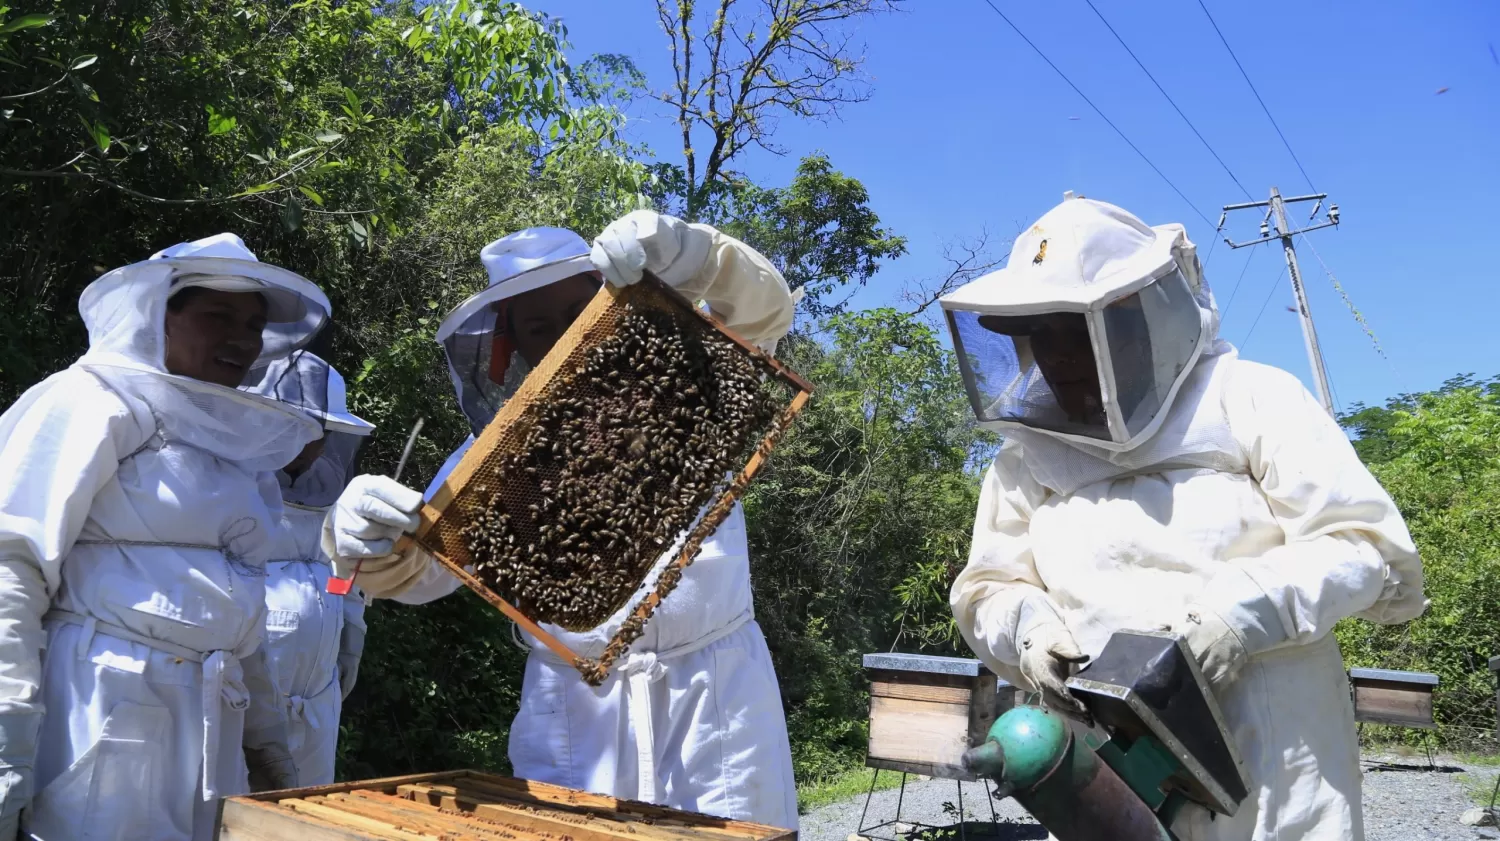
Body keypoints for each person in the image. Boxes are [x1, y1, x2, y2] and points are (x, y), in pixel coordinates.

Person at [942, 196, 1425, 840]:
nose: (1053, 358)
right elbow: (987, 587)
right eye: (1038, 336)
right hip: (1109, 767)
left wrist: (1242, 614)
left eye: (1072, 330)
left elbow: (1362, 547)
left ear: (1140, 320)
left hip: (1276, 752)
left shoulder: (1253, 397)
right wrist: (1028, 632)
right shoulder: (1022, 460)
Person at [319, 211, 800, 828]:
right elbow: (416, 571)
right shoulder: (494, 460)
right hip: (578, 710)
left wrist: (693, 256)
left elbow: (763, 314)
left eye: (579, 312)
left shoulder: (688, 380)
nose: (565, 336)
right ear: (509, 345)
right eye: (539, 326)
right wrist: (361, 536)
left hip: (716, 699)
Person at [0, 234, 329, 841]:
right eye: (217, 316)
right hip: (102, 701)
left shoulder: (241, 448)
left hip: (214, 720)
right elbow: (12, 565)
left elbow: (241, 608)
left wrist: (268, 747)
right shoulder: (88, 401)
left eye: (254, 324)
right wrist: (6, 743)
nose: (242, 339)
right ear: (159, 318)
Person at [244, 351, 373, 786]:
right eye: (295, 425)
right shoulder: (229, 486)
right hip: (246, 694)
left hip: (318, 697)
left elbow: (342, 570)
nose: (307, 440)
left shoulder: (333, 492)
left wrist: (350, 629)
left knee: (308, 814)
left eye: (319, 429)